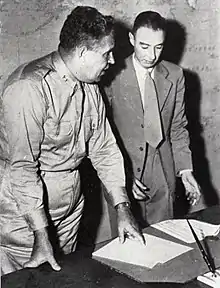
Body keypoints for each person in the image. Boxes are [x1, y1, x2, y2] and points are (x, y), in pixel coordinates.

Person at [0, 6, 144, 275]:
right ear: (82, 54)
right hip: (23, 220)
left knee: (62, 279)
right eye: (106, 53)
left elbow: (104, 149)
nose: (113, 61)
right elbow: (22, 169)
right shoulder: (27, 89)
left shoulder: (90, 86)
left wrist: (123, 208)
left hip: (68, 215)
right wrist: (41, 236)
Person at [104, 11, 201, 227]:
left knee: (164, 241)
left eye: (159, 47)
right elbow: (103, 134)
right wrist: (123, 175)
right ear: (131, 40)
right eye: (144, 46)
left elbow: (177, 126)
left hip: (163, 172)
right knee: (129, 247)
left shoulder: (175, 75)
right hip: (125, 169)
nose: (151, 55)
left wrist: (185, 170)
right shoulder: (111, 74)